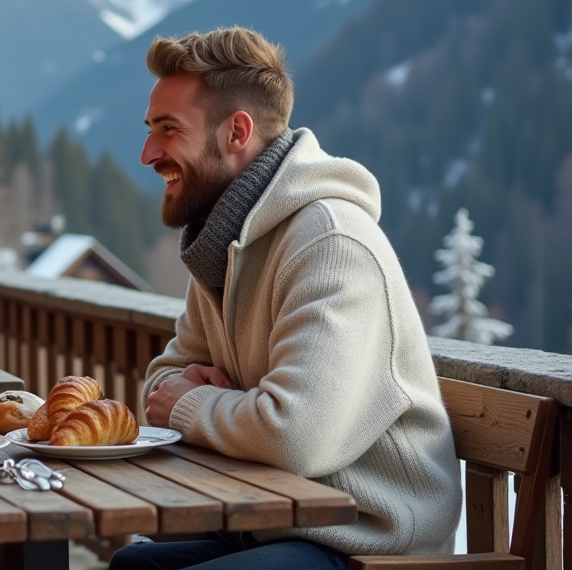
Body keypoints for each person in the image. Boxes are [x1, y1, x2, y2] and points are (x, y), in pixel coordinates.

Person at [111, 29, 461, 570]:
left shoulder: (330, 242)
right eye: (150, 130)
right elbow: (163, 384)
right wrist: (196, 399)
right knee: (134, 566)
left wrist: (194, 403)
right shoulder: (222, 244)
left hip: (369, 540)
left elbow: (293, 435)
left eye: (168, 130)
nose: (148, 153)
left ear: (237, 132)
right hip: (275, 522)